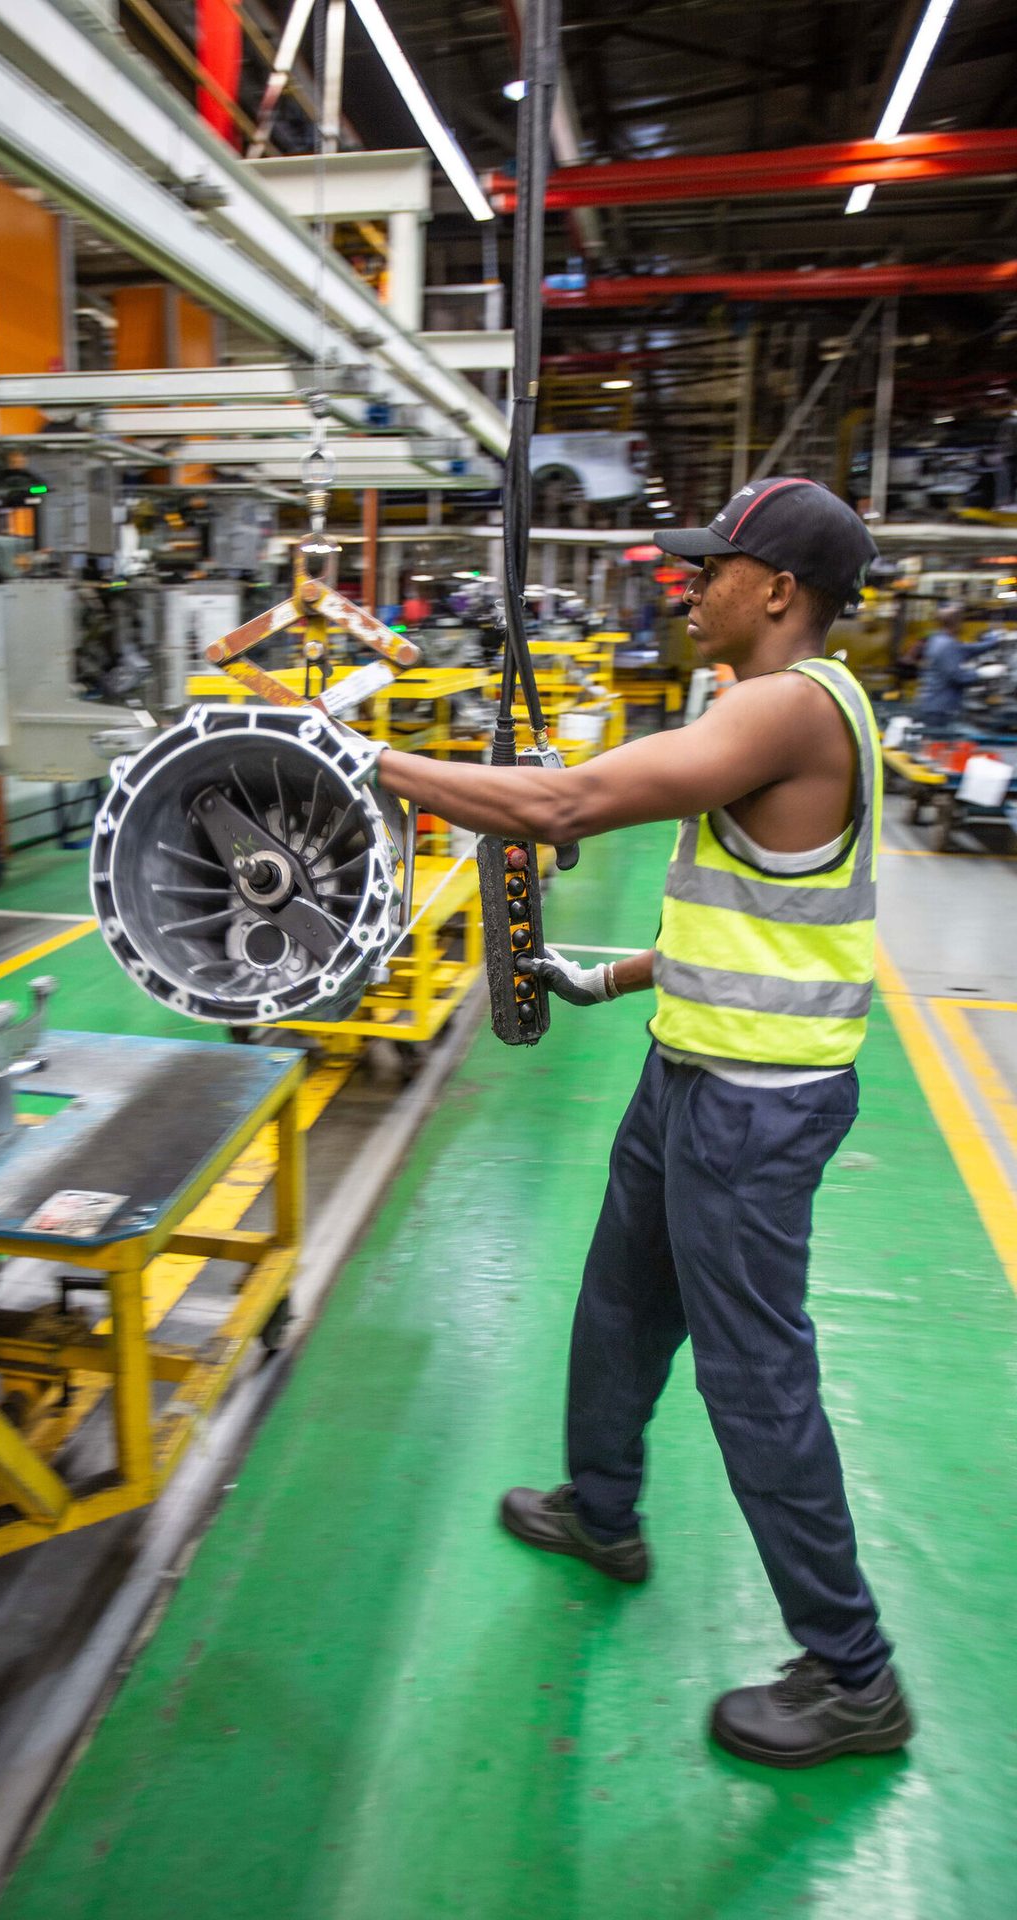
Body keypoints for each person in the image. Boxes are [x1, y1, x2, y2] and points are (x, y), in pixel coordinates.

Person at [369, 477, 914, 1770]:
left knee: (756, 1381)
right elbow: (743, 922)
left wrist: (362, 760)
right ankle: (602, 1512)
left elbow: (564, 807)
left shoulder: (791, 706)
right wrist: (602, 975)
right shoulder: (760, 707)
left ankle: (854, 1675)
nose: (691, 585)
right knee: (618, 1306)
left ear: (776, 591)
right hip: (691, 1077)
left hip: (752, 1114)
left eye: (712, 566)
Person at [913, 602, 977, 734]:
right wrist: (980, 674)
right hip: (940, 707)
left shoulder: (935, 639)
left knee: (931, 742)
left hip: (930, 703)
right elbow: (956, 676)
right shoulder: (948, 644)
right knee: (937, 743)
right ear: (956, 623)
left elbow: (966, 651)